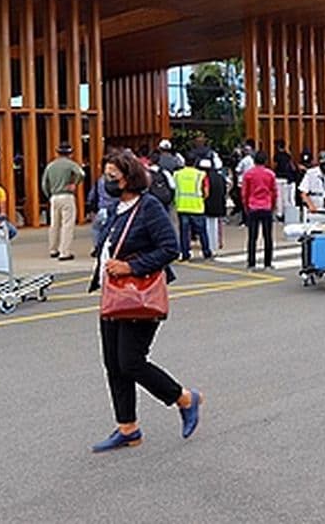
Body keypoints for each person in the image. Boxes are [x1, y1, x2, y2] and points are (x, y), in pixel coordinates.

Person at [89, 150, 202, 452]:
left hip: (138, 296)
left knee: (131, 362)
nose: (107, 181)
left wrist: (130, 267)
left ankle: (185, 399)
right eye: (106, 175)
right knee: (113, 364)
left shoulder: (148, 207)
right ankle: (128, 429)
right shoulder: (117, 207)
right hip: (113, 295)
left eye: (113, 176)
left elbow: (169, 248)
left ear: (130, 177)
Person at [42, 142, 85, 262]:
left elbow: (44, 183)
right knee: (67, 224)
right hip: (66, 195)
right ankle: (64, 252)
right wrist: (74, 183)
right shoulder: (71, 164)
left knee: (54, 224)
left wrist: (49, 195)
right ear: (70, 153)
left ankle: (53, 249)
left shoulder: (50, 166)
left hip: (54, 197)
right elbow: (81, 173)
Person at [241, 151, 278, 269]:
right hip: (266, 206)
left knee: (252, 236)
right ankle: (268, 263)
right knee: (268, 236)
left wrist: (246, 206)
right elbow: (274, 192)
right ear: (265, 161)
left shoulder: (248, 174)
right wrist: (273, 206)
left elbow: (244, 193)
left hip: (253, 206)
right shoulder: (270, 174)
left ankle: (251, 263)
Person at [173, 155, 212, 261]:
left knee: (184, 233)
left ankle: (185, 253)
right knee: (202, 232)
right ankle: (206, 252)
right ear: (195, 163)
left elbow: (173, 188)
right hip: (197, 207)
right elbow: (206, 192)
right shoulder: (201, 175)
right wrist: (201, 198)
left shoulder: (177, 174)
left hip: (182, 206)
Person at [86, 171, 119, 255]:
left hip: (102, 209)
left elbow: (92, 195)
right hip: (115, 208)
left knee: (96, 228)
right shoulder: (118, 181)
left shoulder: (100, 181)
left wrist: (91, 208)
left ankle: (97, 246)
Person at [200, 158, 226, 251]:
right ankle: (216, 244)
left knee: (207, 227)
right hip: (219, 205)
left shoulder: (205, 178)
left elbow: (205, 192)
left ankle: (210, 246)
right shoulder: (220, 177)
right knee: (216, 226)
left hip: (208, 206)